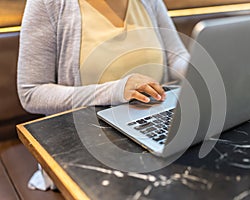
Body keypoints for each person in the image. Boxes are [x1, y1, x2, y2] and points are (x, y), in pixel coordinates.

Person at [17, 0, 189, 190]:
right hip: (83, 147)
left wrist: (197, 69)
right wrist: (114, 91)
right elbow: (31, 92)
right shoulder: (49, 4)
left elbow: (176, 56)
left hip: (152, 127)